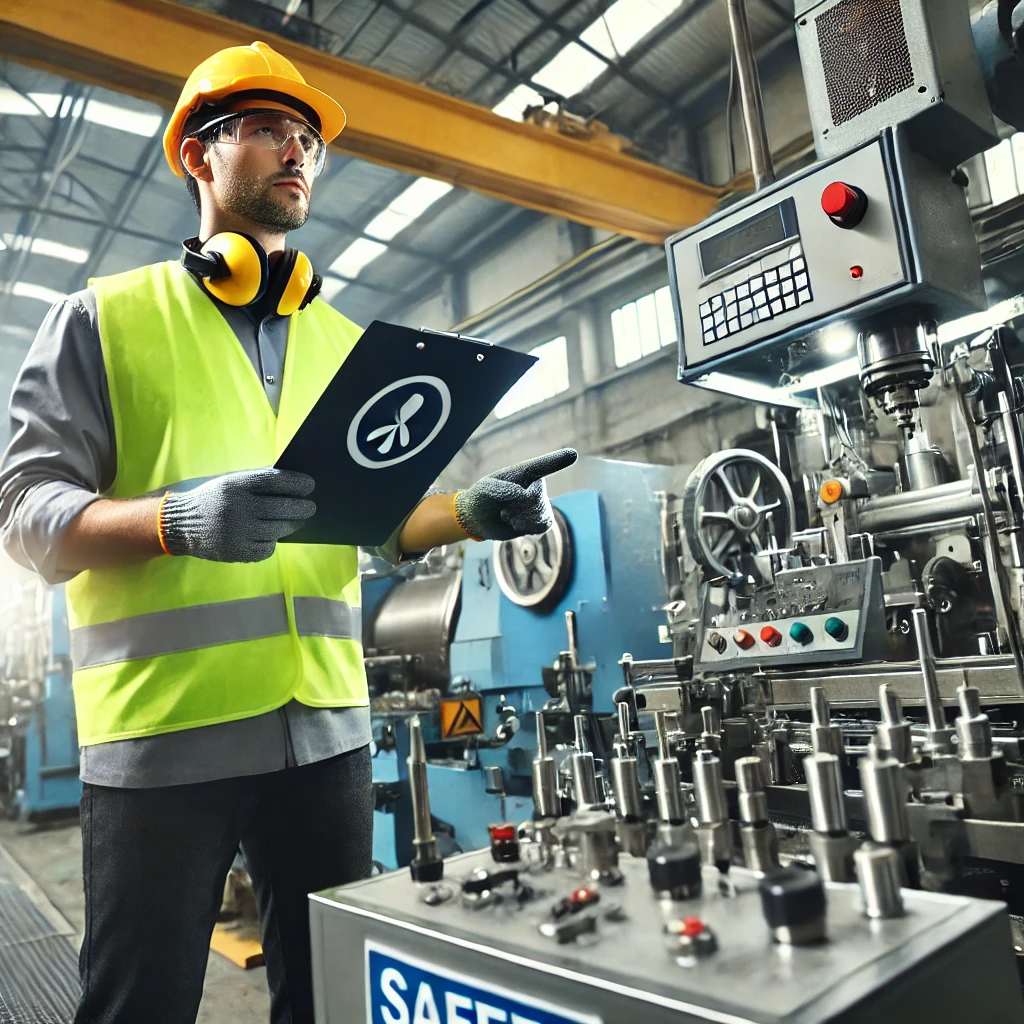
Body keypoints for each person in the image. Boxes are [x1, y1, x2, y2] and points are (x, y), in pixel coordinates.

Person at [0, 40, 576, 1024]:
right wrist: (175, 520)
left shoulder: (343, 341)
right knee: (139, 1006)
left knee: (332, 1001)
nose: (297, 150)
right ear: (198, 153)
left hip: (326, 736)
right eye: (268, 129)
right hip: (161, 738)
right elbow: (25, 512)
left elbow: (379, 520)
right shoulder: (104, 319)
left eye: (307, 136)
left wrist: (468, 512)